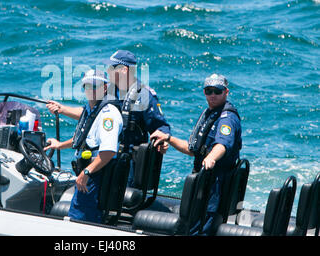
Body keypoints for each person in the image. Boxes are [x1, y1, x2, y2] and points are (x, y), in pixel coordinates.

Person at [46, 50, 172, 187]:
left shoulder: (145, 96)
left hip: (128, 162)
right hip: (105, 159)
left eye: (112, 67)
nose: (107, 70)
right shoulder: (109, 90)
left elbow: (161, 127)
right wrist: (62, 109)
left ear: (124, 70)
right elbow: (92, 115)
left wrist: (163, 141)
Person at [166, 73, 242, 235]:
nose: (213, 95)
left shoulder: (227, 118)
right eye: (209, 91)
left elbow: (223, 144)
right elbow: (193, 150)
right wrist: (169, 138)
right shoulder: (210, 114)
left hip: (214, 182)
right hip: (202, 178)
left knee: (200, 227)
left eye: (217, 91)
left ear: (226, 92)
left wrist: (211, 158)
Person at [44, 69, 123, 223]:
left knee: (80, 219)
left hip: (95, 175)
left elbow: (108, 151)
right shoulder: (92, 109)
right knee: (79, 215)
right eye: (87, 86)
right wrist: (59, 145)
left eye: (95, 86)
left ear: (105, 88)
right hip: (88, 172)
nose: (90, 90)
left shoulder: (108, 114)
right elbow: (84, 139)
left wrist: (86, 172)